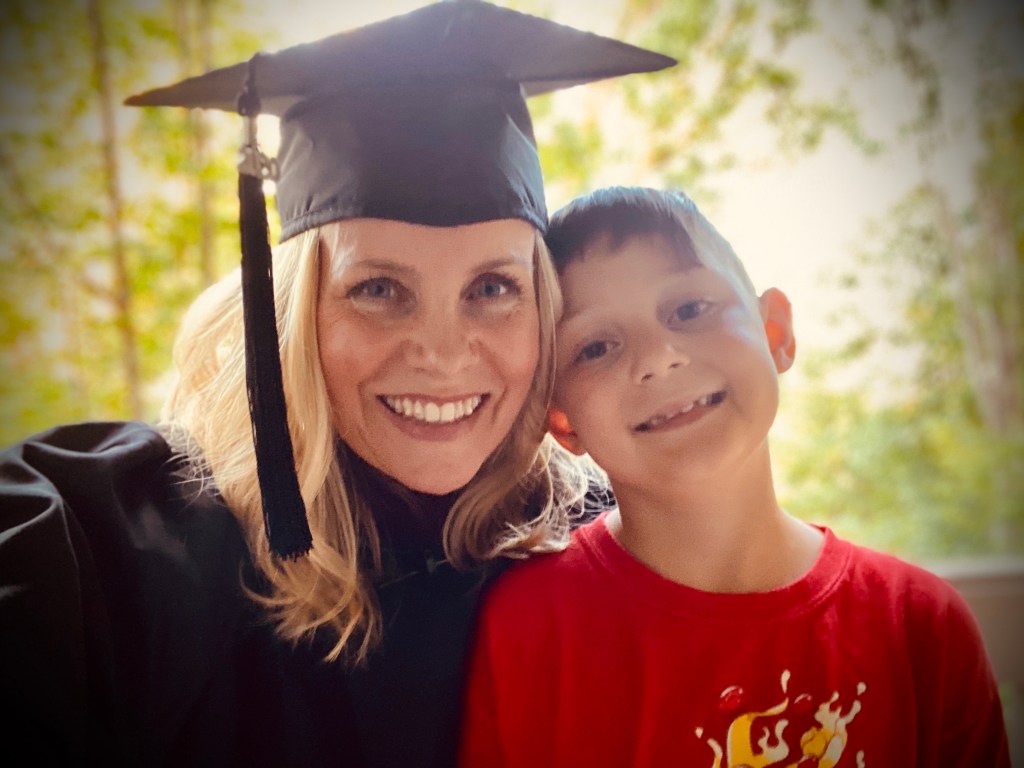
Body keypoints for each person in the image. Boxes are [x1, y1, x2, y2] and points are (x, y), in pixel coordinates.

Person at [0, 7, 673, 766]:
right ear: (295, 312)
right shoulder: (116, 544)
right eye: (378, 289)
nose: (443, 354)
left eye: (492, 288)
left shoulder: (606, 540)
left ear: (544, 307)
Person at [459, 186, 1010, 767]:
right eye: (596, 347)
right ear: (561, 420)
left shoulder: (922, 628)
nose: (659, 357)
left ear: (775, 333)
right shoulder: (525, 632)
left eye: (689, 310)